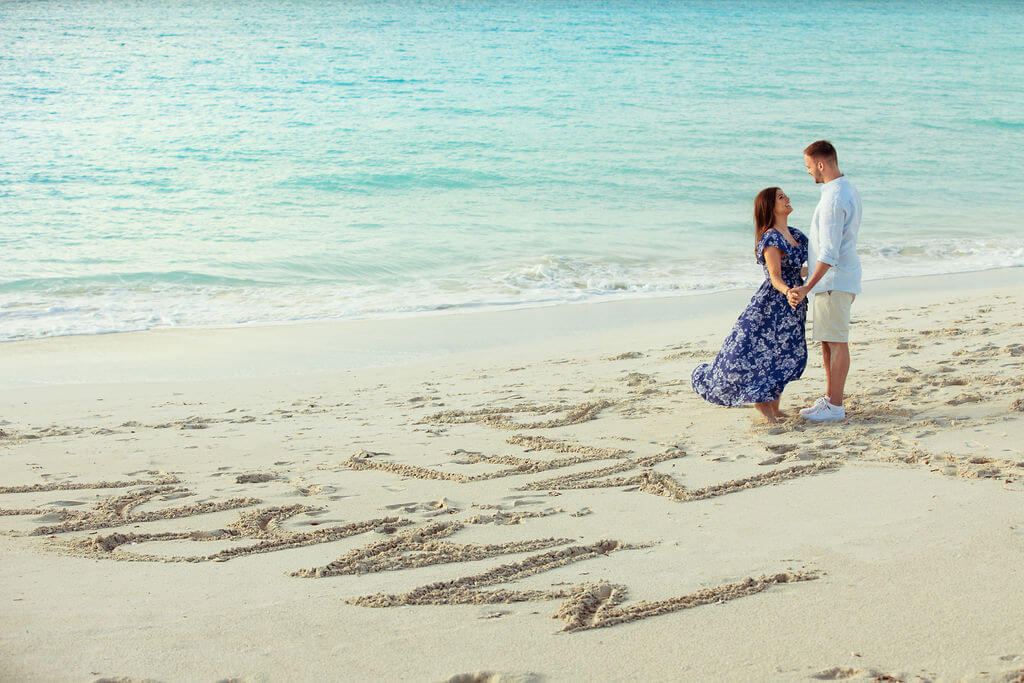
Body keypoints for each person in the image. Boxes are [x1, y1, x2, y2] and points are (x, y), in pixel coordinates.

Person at [691, 188, 809, 423]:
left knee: (786, 354)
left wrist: (822, 274)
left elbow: (799, 271)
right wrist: (789, 291)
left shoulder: (796, 235)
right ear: (769, 207)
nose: (787, 199)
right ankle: (763, 406)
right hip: (773, 304)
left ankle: (774, 407)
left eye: (785, 195)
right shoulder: (770, 237)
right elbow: (775, 276)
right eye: (781, 197)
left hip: (794, 303)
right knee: (760, 353)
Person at [787, 140, 862, 422]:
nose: (807, 172)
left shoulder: (834, 199)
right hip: (837, 278)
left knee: (836, 341)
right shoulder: (844, 189)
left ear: (820, 164)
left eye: (808, 166)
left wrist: (807, 284)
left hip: (834, 279)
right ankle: (831, 399)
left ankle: (836, 405)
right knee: (828, 342)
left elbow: (829, 252)